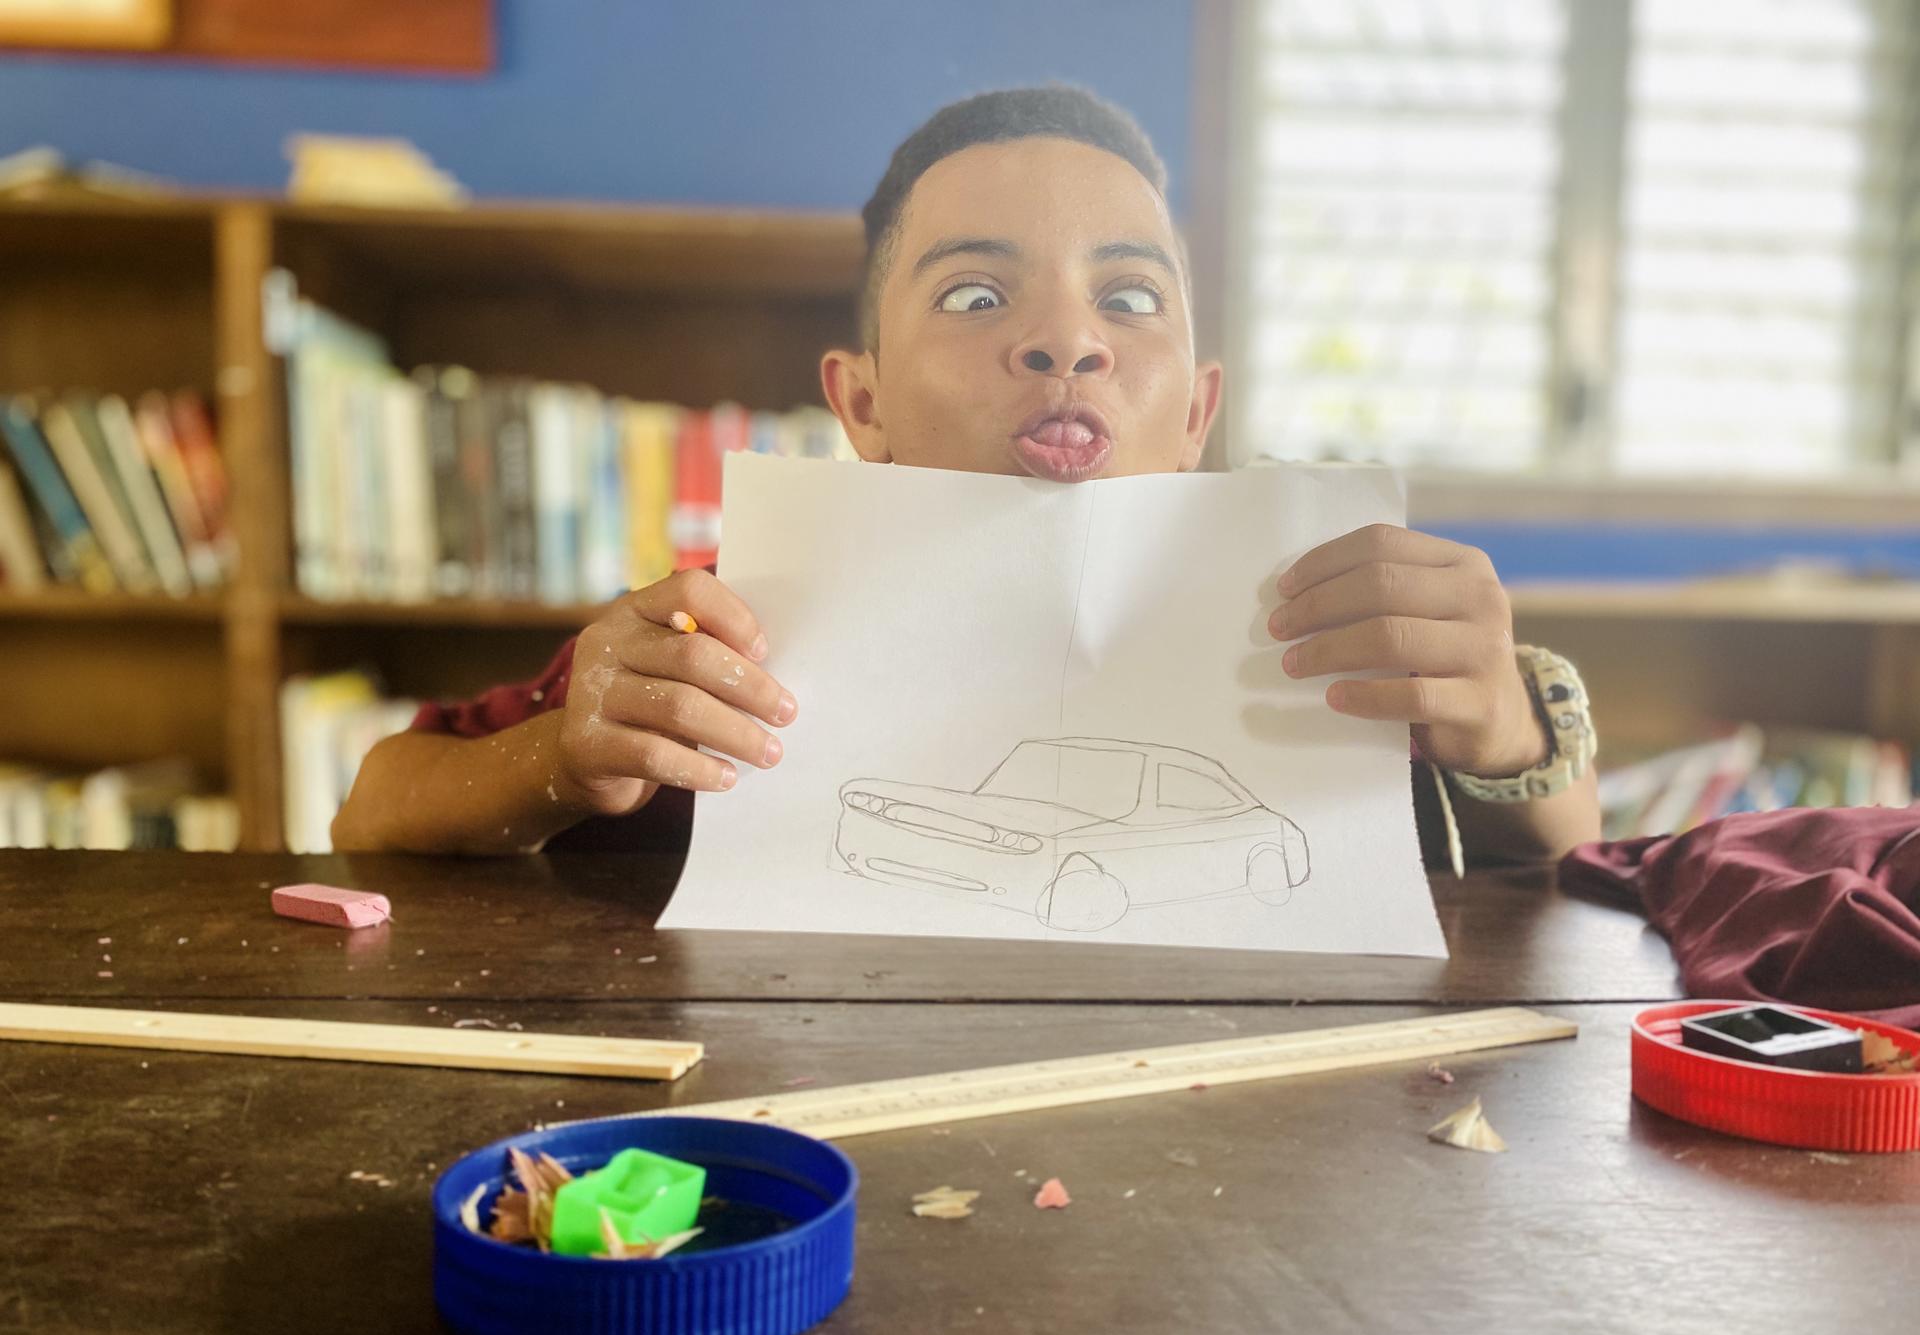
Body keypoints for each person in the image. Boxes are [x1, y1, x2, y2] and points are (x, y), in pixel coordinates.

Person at [332, 85, 1601, 864]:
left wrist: (1502, 718)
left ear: (1198, 413)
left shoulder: (1332, 622)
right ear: (863, 402)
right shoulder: (729, 631)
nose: (1068, 339)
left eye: (1131, 296)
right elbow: (375, 806)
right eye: (979, 293)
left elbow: (1564, 851)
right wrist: (565, 755)